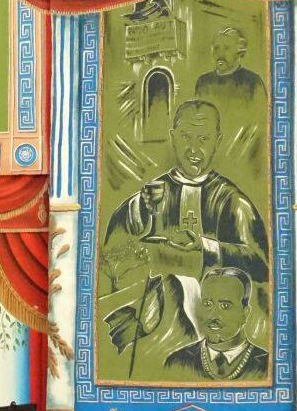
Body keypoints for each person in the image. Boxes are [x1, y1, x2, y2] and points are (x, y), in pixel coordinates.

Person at [102, 99, 269, 287]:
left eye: (203, 139)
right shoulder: (151, 195)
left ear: (217, 141)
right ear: (173, 137)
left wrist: (205, 246)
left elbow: (261, 266)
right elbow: (109, 255)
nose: (193, 150)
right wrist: (144, 215)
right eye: (185, 137)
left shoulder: (231, 200)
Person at [164, 267, 269, 381]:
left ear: (245, 313)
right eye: (207, 304)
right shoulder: (178, 362)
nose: (212, 315)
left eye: (225, 306)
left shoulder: (266, 365)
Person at [194, 26, 267, 107]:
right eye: (216, 48)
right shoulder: (203, 82)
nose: (220, 54)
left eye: (226, 48)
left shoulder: (253, 82)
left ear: (239, 52)